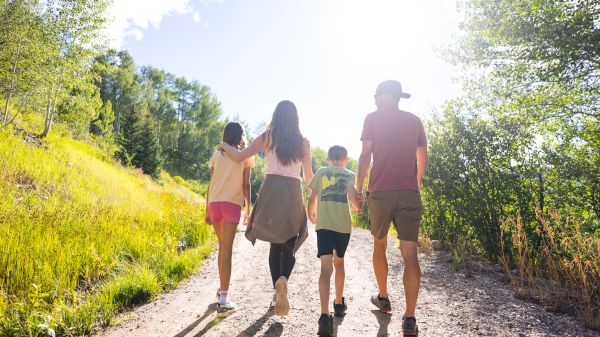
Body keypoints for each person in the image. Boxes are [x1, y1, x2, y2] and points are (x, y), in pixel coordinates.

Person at [220, 100, 313, 316]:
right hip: (292, 192)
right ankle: (283, 281)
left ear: (276, 116)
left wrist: (224, 145)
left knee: (274, 246)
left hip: (271, 190)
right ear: (296, 118)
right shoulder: (303, 142)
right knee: (290, 242)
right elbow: (308, 177)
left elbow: (240, 157)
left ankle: (276, 293)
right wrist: (314, 199)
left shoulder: (267, 137)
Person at [356, 80, 428, 336]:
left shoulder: (372, 118)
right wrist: (415, 184)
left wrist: (357, 187)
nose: (374, 100)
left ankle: (384, 298)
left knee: (380, 244)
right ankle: (409, 317)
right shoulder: (414, 121)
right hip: (409, 193)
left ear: (385, 96)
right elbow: (422, 157)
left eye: (376, 96)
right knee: (410, 254)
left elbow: (366, 155)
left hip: (381, 192)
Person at [307, 145, 362, 337]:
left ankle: (324, 316)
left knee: (325, 269)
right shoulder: (348, 174)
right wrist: (358, 206)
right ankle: (338, 303)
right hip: (342, 227)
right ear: (346, 159)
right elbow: (355, 202)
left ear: (329, 159)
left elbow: (312, 197)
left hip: (324, 226)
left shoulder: (321, 172)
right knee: (339, 263)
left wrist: (311, 213)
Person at [205, 122, 254, 314]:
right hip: (231, 204)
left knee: (222, 249)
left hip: (215, 204)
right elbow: (246, 184)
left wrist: (206, 209)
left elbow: (211, 183)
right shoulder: (246, 157)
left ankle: (222, 289)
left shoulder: (217, 155)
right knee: (227, 250)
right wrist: (248, 208)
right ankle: (224, 300)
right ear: (240, 136)